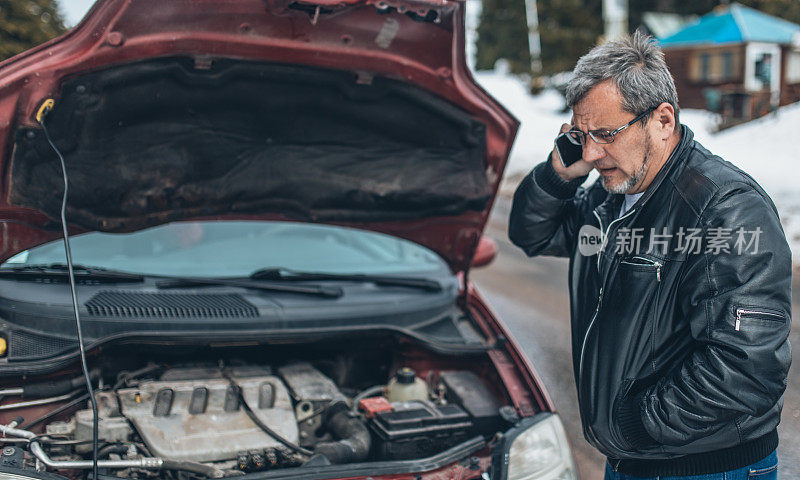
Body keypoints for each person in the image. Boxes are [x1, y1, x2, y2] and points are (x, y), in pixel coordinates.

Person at [508, 32, 792, 479]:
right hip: (633, 460)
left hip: (702, 469)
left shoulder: (727, 210)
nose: (592, 153)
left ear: (662, 120)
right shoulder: (610, 200)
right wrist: (559, 173)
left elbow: (748, 366)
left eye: (605, 134)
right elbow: (531, 234)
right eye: (583, 135)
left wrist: (637, 423)